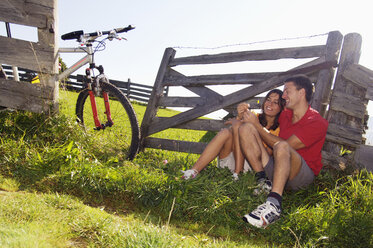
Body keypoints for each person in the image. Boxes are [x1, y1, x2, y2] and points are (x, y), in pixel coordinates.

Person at [240, 74, 328, 228]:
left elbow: (286, 145)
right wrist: (245, 112)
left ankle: (274, 205)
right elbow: (265, 117)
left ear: (301, 93)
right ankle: (263, 182)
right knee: (246, 128)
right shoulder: (286, 114)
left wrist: (257, 126)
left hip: (300, 176)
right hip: (278, 165)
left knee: (282, 145)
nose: (284, 95)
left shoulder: (317, 122)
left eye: (287, 91)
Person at [181, 89, 285, 180]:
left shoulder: (278, 130)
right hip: (233, 159)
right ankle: (194, 171)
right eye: (268, 99)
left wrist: (241, 125)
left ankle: (238, 172)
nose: (270, 104)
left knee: (237, 127)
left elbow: (267, 155)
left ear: (281, 107)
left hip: (252, 166)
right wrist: (240, 116)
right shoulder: (253, 116)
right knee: (226, 132)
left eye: (276, 102)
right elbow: (234, 133)